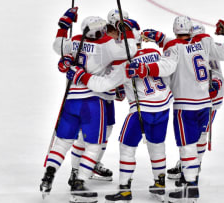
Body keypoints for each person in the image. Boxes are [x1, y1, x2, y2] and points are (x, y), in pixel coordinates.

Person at [129, 16, 224, 202]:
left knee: (187, 147)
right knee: (196, 143)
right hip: (205, 103)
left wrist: (146, 69)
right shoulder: (204, 42)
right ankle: (191, 180)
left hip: (185, 105)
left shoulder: (173, 47)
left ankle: (190, 188)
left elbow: (168, 62)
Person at [40, 7, 137, 203]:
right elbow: (130, 50)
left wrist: (64, 24)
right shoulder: (106, 44)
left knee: (62, 142)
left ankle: (49, 175)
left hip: (73, 99)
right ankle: (79, 181)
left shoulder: (76, 40)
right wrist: (127, 30)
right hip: (94, 100)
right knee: (94, 144)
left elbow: (58, 46)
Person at [67, 21, 173, 202]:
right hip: (163, 107)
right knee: (157, 146)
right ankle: (160, 184)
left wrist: (80, 75)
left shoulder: (123, 62)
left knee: (126, 147)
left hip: (142, 109)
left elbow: (105, 84)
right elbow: (170, 68)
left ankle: (124, 189)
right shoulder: (154, 53)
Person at [67, 8, 130, 185]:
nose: (122, 28)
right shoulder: (105, 41)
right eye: (119, 24)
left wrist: (119, 86)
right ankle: (75, 170)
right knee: (87, 134)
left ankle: (92, 163)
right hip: (92, 94)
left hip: (106, 95)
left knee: (107, 129)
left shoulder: (114, 40)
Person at [166, 22, 224, 180]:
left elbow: (218, 76)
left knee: (198, 136)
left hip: (209, 101)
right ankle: (188, 166)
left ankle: (194, 168)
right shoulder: (200, 46)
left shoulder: (206, 50)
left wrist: (216, 84)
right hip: (202, 98)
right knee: (192, 137)